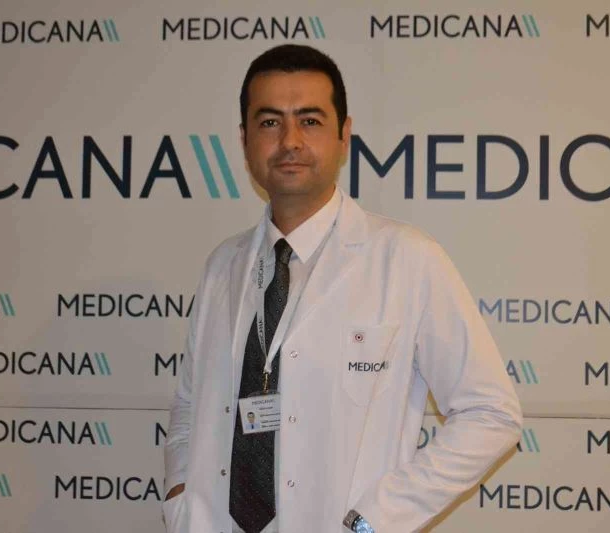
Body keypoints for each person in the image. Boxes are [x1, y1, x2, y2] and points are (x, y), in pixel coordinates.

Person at [163, 44, 522, 533]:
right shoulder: (222, 266)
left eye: (309, 121)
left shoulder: (406, 259)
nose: (290, 141)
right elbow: (189, 405)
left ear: (343, 134)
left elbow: (491, 414)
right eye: (269, 122)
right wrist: (181, 494)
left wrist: (375, 520)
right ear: (245, 139)